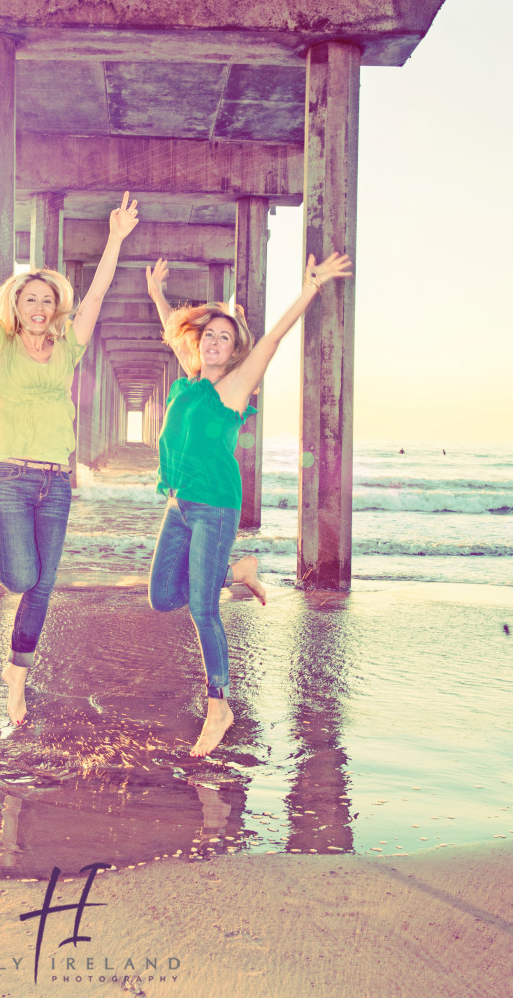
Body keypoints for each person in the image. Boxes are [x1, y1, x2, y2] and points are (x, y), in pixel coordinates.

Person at [0, 172, 138, 725]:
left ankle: (17, 677)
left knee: (43, 586)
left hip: (57, 479)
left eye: (46, 299)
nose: (37, 305)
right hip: (7, 475)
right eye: (29, 298)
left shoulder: (68, 347)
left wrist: (115, 239)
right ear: (18, 305)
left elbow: (97, 294)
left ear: (55, 308)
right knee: (24, 576)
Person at [145, 250, 352, 757]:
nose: (215, 342)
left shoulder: (235, 387)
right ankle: (236, 573)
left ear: (236, 349)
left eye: (226, 337)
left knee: (200, 608)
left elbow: (276, 337)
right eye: (209, 335)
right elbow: (174, 333)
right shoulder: (188, 381)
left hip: (216, 505)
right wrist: (157, 295)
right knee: (161, 597)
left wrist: (311, 287)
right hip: (179, 504)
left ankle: (220, 706)